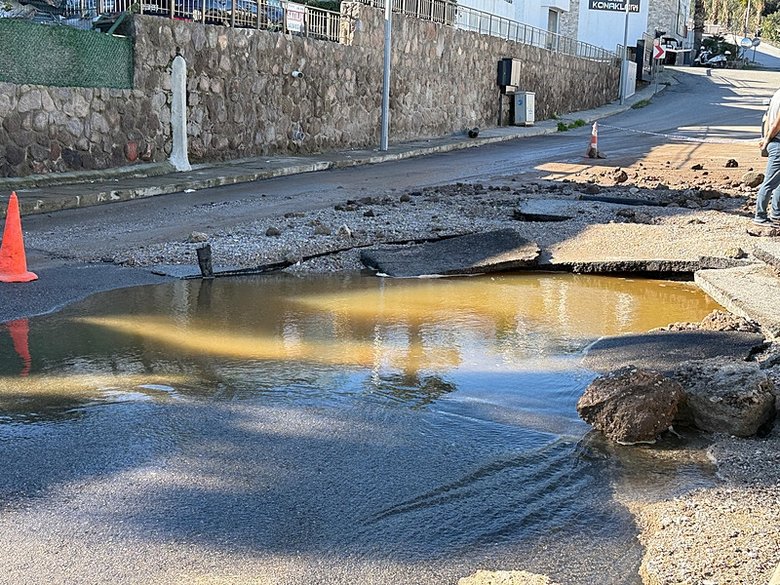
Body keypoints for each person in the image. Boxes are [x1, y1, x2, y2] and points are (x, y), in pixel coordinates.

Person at [754, 87, 780, 225]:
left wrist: (765, 138)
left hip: (774, 142)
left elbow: (767, 117)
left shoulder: (777, 94)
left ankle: (776, 214)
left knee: (777, 182)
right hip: (778, 143)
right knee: (769, 183)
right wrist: (767, 140)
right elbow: (777, 123)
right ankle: (760, 216)